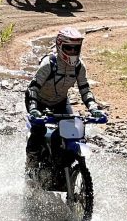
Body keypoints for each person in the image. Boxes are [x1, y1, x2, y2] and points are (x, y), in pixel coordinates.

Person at [25, 27, 104, 173]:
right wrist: (34, 109)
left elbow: (85, 89)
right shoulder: (49, 64)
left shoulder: (79, 66)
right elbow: (32, 89)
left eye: (76, 48)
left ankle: (62, 164)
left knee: (72, 131)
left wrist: (94, 108)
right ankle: (31, 165)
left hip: (60, 101)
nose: (73, 52)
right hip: (38, 101)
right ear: (60, 46)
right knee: (38, 130)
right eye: (69, 48)